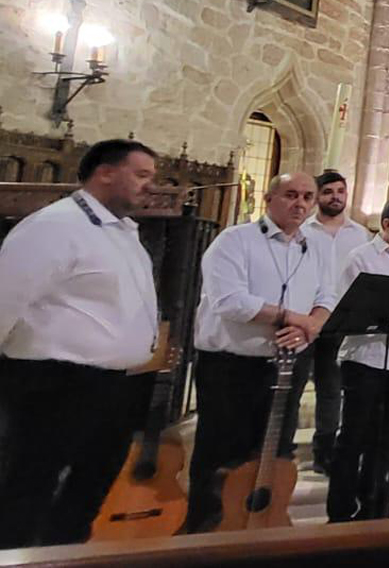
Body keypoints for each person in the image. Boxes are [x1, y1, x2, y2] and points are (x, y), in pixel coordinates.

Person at [0, 140, 159, 548]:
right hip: (54, 384)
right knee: (28, 490)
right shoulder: (54, 227)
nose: (150, 186)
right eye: (141, 175)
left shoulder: (123, 231)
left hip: (114, 385)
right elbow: (5, 300)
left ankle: (66, 556)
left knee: (88, 492)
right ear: (105, 172)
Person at [187, 172, 338, 532]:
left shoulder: (316, 246)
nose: (299, 203)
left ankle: (262, 527)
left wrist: (312, 327)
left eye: (307, 197)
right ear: (269, 199)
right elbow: (231, 302)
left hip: (289, 362)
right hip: (232, 367)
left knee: (277, 453)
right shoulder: (234, 241)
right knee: (223, 455)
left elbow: (327, 297)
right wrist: (292, 317)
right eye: (290, 195)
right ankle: (207, 533)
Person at [326, 195, 389, 522]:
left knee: (386, 443)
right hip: (364, 358)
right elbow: (345, 307)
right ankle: (340, 511)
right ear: (387, 223)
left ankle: (375, 505)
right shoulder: (361, 258)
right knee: (353, 439)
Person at [304, 170, 371, 472]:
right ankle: (277, 451)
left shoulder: (359, 234)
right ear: (318, 196)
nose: (335, 197)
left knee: (330, 388)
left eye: (340, 191)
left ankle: (325, 450)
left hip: (339, 321)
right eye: (329, 191)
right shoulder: (304, 230)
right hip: (301, 319)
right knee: (289, 389)